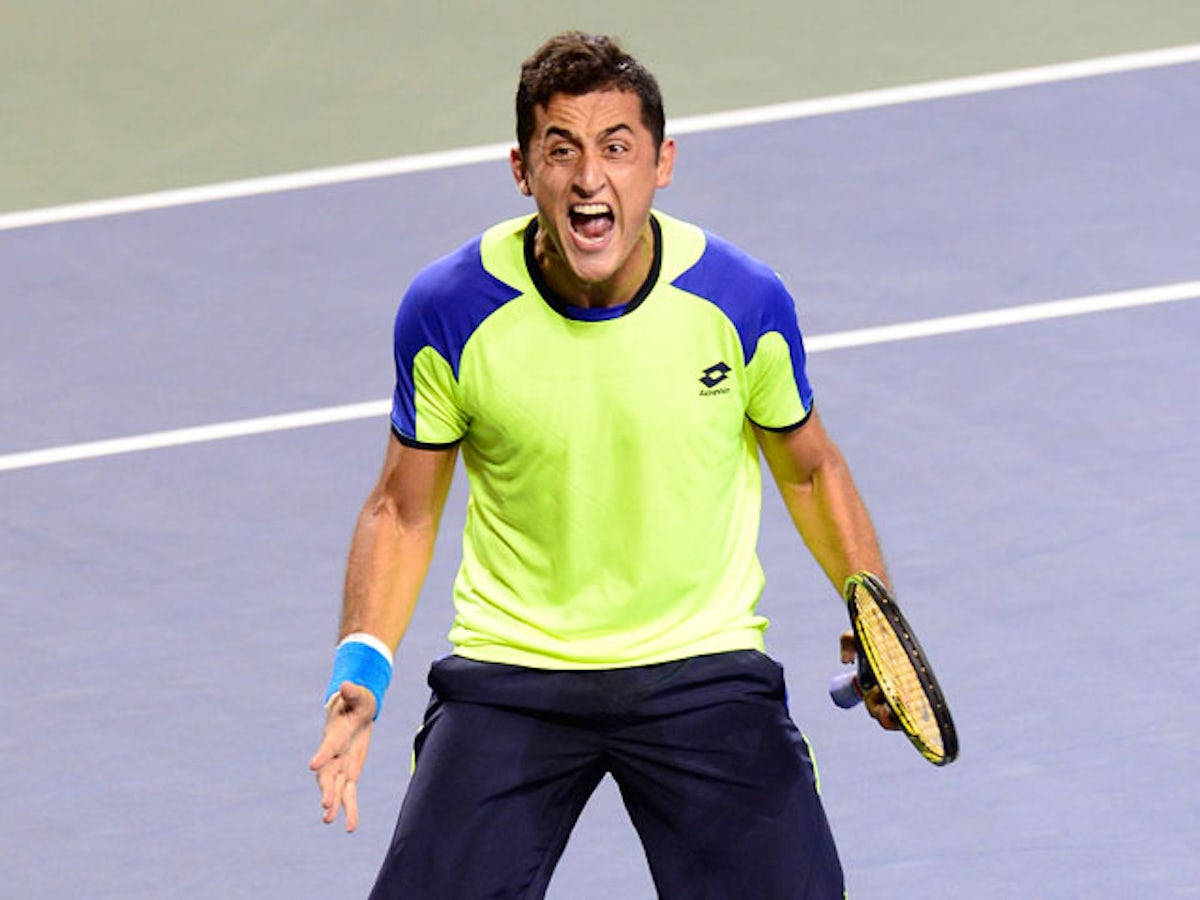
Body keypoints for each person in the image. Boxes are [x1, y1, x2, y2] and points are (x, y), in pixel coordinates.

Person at [309, 31, 898, 899]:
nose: (591, 178)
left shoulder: (740, 302)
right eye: (562, 149)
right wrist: (359, 673)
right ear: (522, 169)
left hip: (702, 667)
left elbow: (810, 469)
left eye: (617, 148)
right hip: (514, 672)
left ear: (662, 163)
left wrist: (874, 611)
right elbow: (401, 508)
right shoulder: (450, 309)